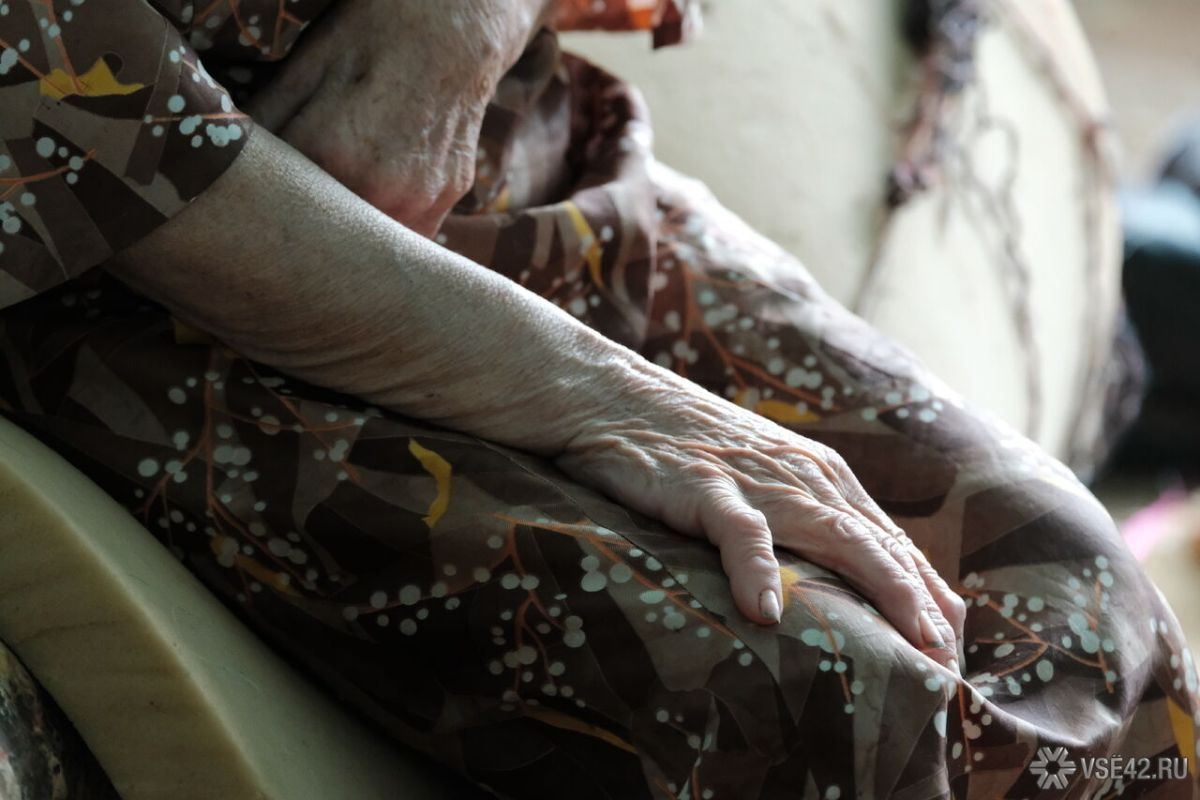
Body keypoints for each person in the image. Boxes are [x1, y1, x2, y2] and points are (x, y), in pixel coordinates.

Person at [0, 1, 1194, 797]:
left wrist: (456, 22)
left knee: (1088, 609)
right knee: (854, 712)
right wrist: (606, 398)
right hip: (141, 277)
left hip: (510, 145)